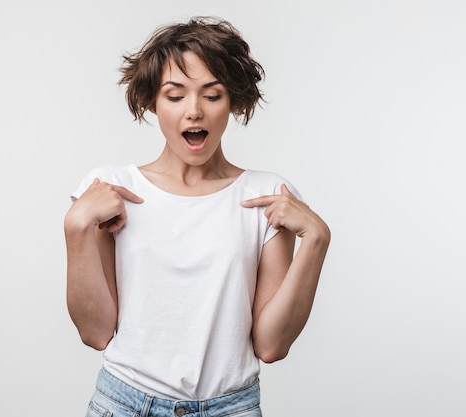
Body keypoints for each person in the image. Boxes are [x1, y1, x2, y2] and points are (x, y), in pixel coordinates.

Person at [64, 16, 330, 417]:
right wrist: (76, 227)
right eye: (174, 96)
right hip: (124, 404)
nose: (194, 112)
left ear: (234, 102)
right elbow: (96, 332)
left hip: (231, 408)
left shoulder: (267, 197)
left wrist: (318, 240)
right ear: (151, 101)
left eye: (212, 94)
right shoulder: (109, 189)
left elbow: (272, 346)